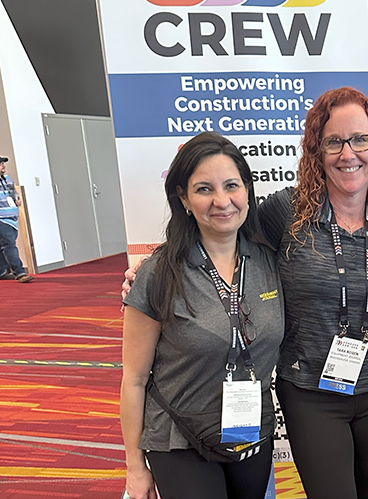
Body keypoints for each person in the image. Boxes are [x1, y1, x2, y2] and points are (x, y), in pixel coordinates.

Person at [120, 132, 283, 499]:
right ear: (184, 198)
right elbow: (134, 379)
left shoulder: (270, 261)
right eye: (205, 189)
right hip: (179, 438)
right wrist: (135, 466)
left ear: (247, 190)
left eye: (231, 186)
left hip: (249, 433)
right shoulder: (159, 273)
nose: (222, 201)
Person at [259, 87, 368, 499]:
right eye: (333, 142)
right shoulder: (286, 212)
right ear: (316, 151)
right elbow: (221, 234)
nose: (348, 153)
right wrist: (156, 265)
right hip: (310, 392)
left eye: (360, 139)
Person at [0, 155, 33, 283]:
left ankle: (0, 272)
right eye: (0, 164)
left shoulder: (7, 179)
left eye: (3, 163)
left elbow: (13, 192)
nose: (3, 166)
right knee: (9, 246)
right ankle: (19, 272)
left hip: (12, 218)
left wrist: (16, 198)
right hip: (1, 219)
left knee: (2, 246)